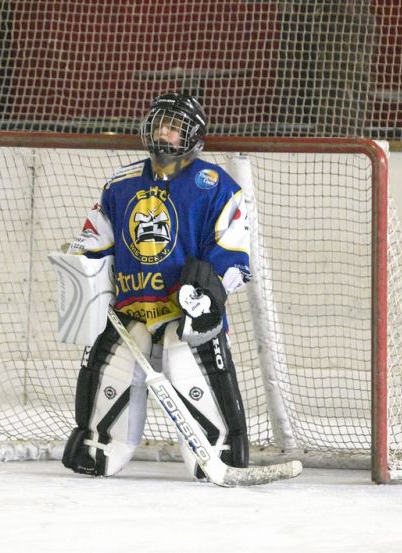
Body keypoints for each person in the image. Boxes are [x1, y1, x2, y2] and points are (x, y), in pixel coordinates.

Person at [61, 92, 251, 480]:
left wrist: (208, 293)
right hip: (129, 308)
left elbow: (235, 255)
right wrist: (81, 262)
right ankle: (99, 446)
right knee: (111, 370)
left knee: (188, 368)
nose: (165, 132)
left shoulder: (216, 185)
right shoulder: (120, 184)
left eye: (175, 126)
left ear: (193, 136)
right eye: (161, 123)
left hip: (185, 313)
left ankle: (219, 451)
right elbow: (97, 238)